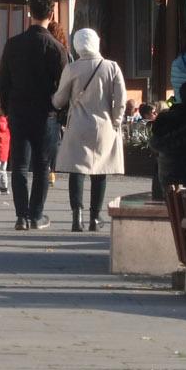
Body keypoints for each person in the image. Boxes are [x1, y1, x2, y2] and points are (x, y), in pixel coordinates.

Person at [0, 0, 66, 230]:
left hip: (18, 109)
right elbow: (63, 86)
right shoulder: (57, 48)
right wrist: (60, 112)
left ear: (29, 13)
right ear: (52, 14)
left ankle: (21, 216)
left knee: (18, 164)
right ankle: (36, 214)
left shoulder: (13, 44)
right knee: (42, 165)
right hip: (46, 113)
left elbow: (3, 81)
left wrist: (8, 108)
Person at [52, 27, 128, 233]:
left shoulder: (72, 68)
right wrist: (116, 121)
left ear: (77, 45)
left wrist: (54, 101)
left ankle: (77, 216)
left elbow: (59, 99)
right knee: (99, 171)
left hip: (77, 123)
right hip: (104, 125)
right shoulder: (111, 67)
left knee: (77, 171)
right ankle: (95, 217)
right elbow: (121, 99)